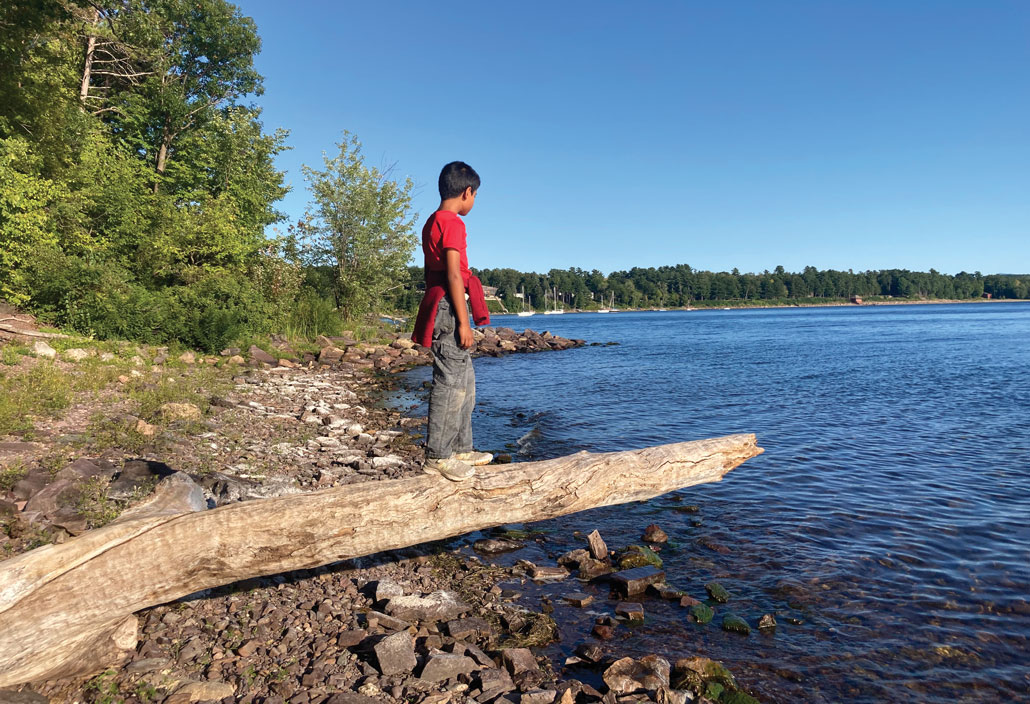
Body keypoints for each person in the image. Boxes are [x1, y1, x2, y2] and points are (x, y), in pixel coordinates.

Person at [411, 162, 494, 481]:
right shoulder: (452, 223)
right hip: (449, 306)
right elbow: (453, 274)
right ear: (467, 192)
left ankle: (461, 447)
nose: (474, 203)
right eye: (475, 197)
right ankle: (438, 455)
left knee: (465, 382)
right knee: (450, 383)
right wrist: (463, 321)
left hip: (443, 302)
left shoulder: (433, 221)